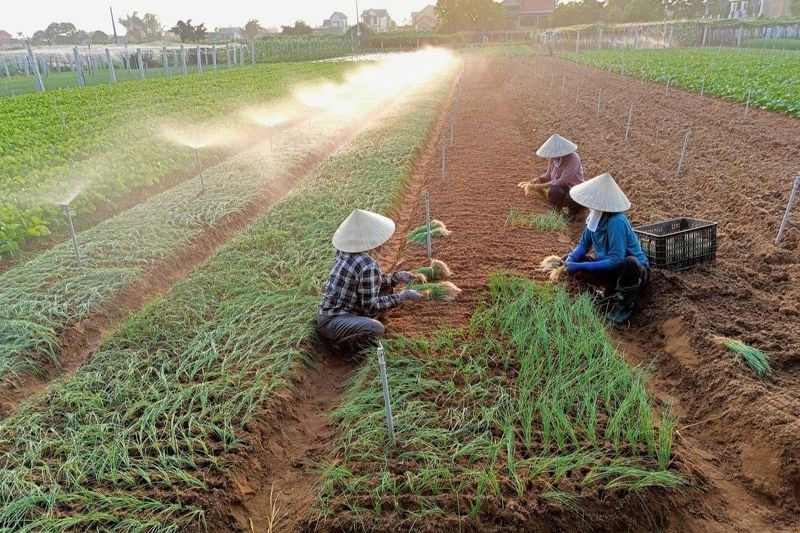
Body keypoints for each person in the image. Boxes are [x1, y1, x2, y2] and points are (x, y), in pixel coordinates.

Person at [317, 209, 425, 357]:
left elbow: (371, 283)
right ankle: (341, 348)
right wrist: (403, 296)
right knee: (375, 329)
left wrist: (396, 278)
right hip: (334, 320)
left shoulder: (345, 252)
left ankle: (353, 328)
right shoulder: (367, 264)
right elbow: (371, 307)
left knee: (387, 288)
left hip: (336, 312)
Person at [563, 173, 650, 324]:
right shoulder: (594, 218)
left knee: (628, 263)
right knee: (570, 260)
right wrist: (572, 258)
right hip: (609, 269)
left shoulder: (617, 221)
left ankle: (625, 306)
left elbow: (616, 260)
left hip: (632, 273)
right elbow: (584, 244)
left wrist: (581, 265)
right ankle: (601, 295)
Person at [524, 134, 585, 221]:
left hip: (575, 187)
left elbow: (563, 180)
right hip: (563, 187)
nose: (552, 157)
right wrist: (540, 179)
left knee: (571, 199)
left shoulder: (573, 159)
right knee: (554, 193)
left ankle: (571, 214)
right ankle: (559, 210)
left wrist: (541, 186)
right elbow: (549, 174)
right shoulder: (553, 159)